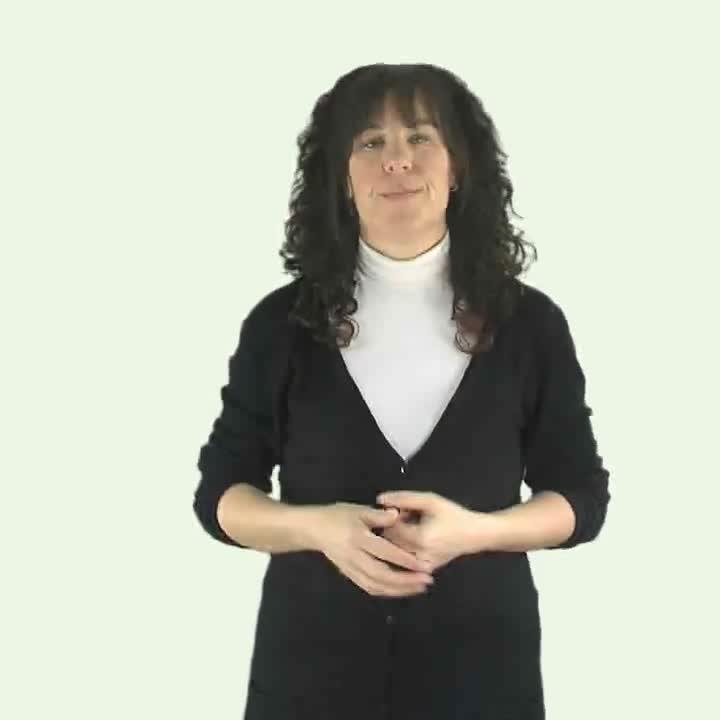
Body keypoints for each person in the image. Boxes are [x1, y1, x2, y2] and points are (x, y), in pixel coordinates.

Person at [193, 62, 611, 720]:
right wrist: (315, 528)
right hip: (310, 683)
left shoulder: (531, 326)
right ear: (341, 177)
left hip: (482, 682)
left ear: (459, 166)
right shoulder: (280, 325)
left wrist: (477, 533)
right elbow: (220, 496)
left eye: (420, 137)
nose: (396, 160)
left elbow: (581, 497)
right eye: (370, 142)